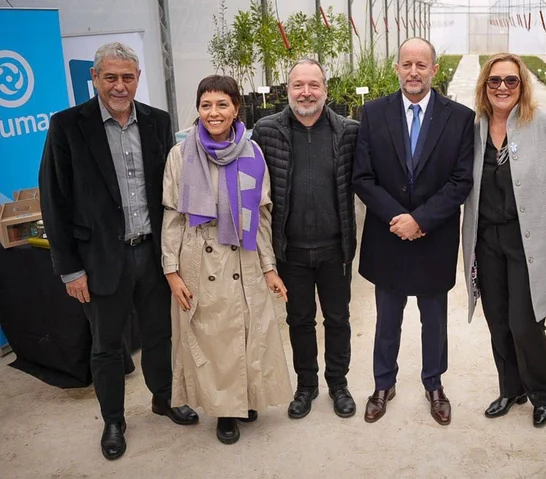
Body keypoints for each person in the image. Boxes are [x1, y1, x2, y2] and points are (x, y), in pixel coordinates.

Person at [39, 42, 198, 460]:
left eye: (127, 77)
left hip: (152, 253)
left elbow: (173, 189)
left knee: (159, 334)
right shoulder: (68, 126)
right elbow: (54, 199)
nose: (119, 85)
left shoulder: (158, 122)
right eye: (110, 77)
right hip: (99, 261)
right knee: (107, 345)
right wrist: (69, 270)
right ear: (95, 78)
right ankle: (113, 419)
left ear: (138, 78)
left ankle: (163, 398)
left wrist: (178, 254)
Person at [161, 75, 293, 445]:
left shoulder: (252, 153)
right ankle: (223, 411)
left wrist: (269, 267)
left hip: (245, 256)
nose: (213, 113)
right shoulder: (181, 154)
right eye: (206, 105)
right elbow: (172, 215)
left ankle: (245, 398)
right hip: (200, 260)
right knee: (213, 338)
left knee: (251, 333)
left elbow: (263, 214)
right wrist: (171, 270)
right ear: (198, 109)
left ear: (237, 108)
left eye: (222, 105)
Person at [352, 37, 474, 425]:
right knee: (387, 317)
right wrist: (398, 219)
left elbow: (460, 181)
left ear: (434, 70)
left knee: (434, 318)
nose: (413, 72)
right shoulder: (372, 113)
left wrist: (420, 219)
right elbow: (364, 177)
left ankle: (434, 384)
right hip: (388, 237)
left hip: (433, 237)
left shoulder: (459, 117)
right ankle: (383, 383)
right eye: (407, 64)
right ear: (397, 69)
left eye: (422, 65)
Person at [461, 53, 546, 427]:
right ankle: (511, 389)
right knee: (498, 320)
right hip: (486, 238)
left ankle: (542, 392)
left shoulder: (544, 123)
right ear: (484, 87)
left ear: (523, 85)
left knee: (525, 321)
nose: (502, 88)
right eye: (494, 81)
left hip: (528, 239)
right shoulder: (473, 127)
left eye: (511, 81)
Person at [251, 58, 359, 420]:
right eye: (299, 85)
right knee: (299, 320)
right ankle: (306, 386)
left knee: (338, 318)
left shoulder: (348, 131)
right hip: (290, 250)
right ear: (288, 89)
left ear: (325, 90)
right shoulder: (266, 131)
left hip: (334, 247)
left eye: (314, 85)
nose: (306, 92)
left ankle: (339, 383)